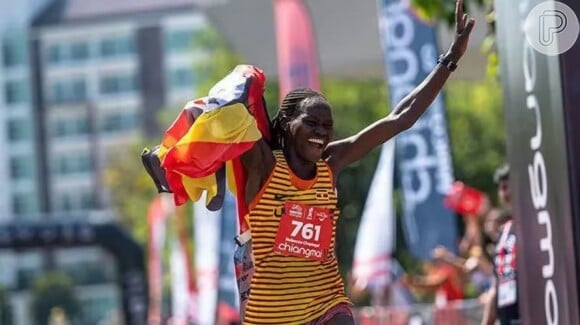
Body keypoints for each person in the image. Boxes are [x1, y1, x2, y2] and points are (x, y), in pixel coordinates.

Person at [216, 1, 475, 323]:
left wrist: (449, 60)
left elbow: (401, 117)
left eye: (327, 127)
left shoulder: (331, 162)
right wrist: (242, 81)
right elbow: (231, 114)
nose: (321, 134)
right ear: (286, 124)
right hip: (274, 313)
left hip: (328, 304)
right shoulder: (265, 165)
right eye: (311, 124)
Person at [481, 164, 520, 325]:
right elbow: (497, 285)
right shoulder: (504, 232)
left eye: (507, 187)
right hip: (507, 317)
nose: (505, 193)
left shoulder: (533, 225)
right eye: (501, 188)